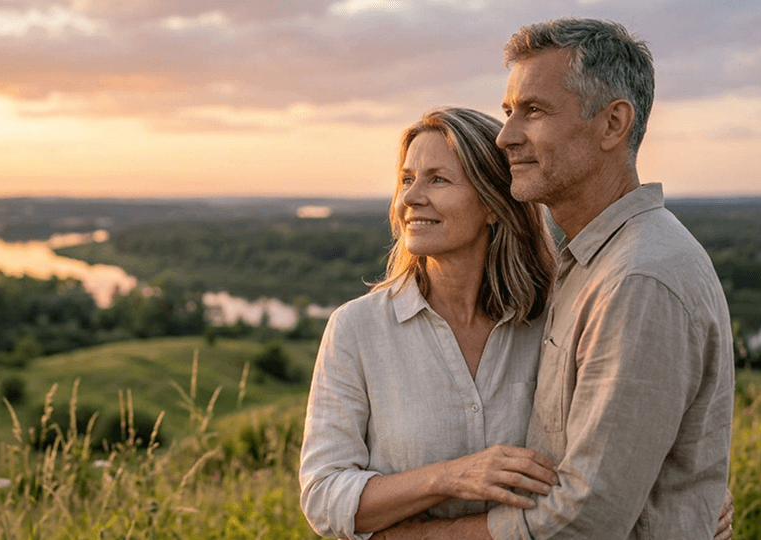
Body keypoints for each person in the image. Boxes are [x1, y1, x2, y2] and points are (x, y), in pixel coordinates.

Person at [375, 18, 736, 540]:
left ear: (613, 124)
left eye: (534, 111)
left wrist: (415, 538)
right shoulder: (581, 261)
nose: (506, 136)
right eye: (507, 112)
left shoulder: (638, 279)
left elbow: (587, 516)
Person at [298, 106, 561, 540]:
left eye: (437, 179)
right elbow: (325, 498)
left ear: (494, 205)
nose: (410, 198)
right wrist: (451, 477)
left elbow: (595, 466)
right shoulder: (356, 330)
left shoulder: (552, 321)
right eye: (406, 179)